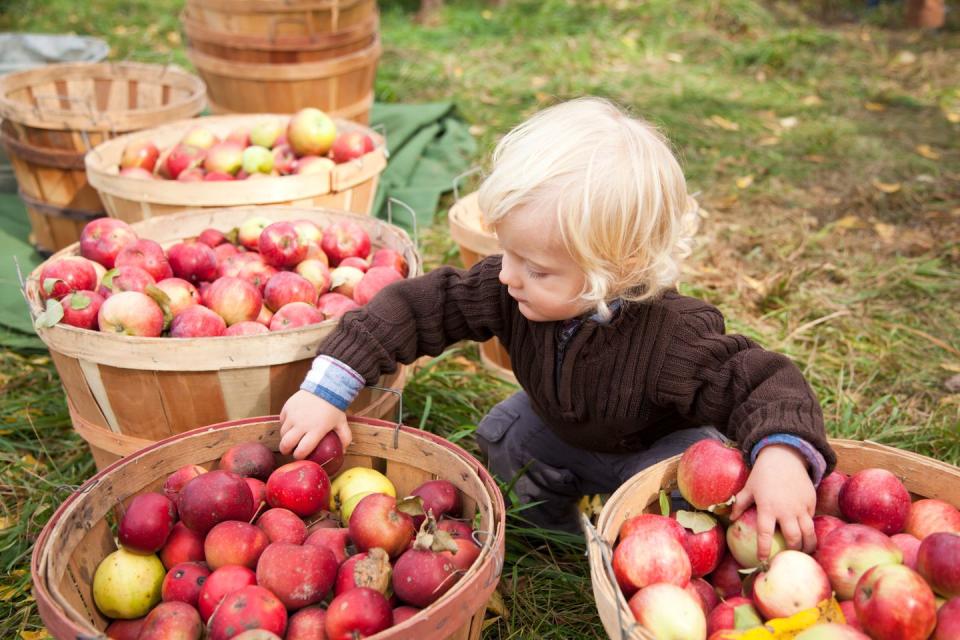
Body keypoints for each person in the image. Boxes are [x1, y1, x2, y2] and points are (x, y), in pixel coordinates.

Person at [278, 97, 836, 558]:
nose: (510, 276)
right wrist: (332, 385)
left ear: (614, 272)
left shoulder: (675, 338)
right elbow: (419, 308)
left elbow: (762, 381)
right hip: (562, 428)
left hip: (652, 452)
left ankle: (630, 543)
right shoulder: (510, 285)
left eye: (537, 268)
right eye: (508, 253)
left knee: (686, 498)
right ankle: (558, 534)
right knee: (504, 433)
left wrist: (782, 456)